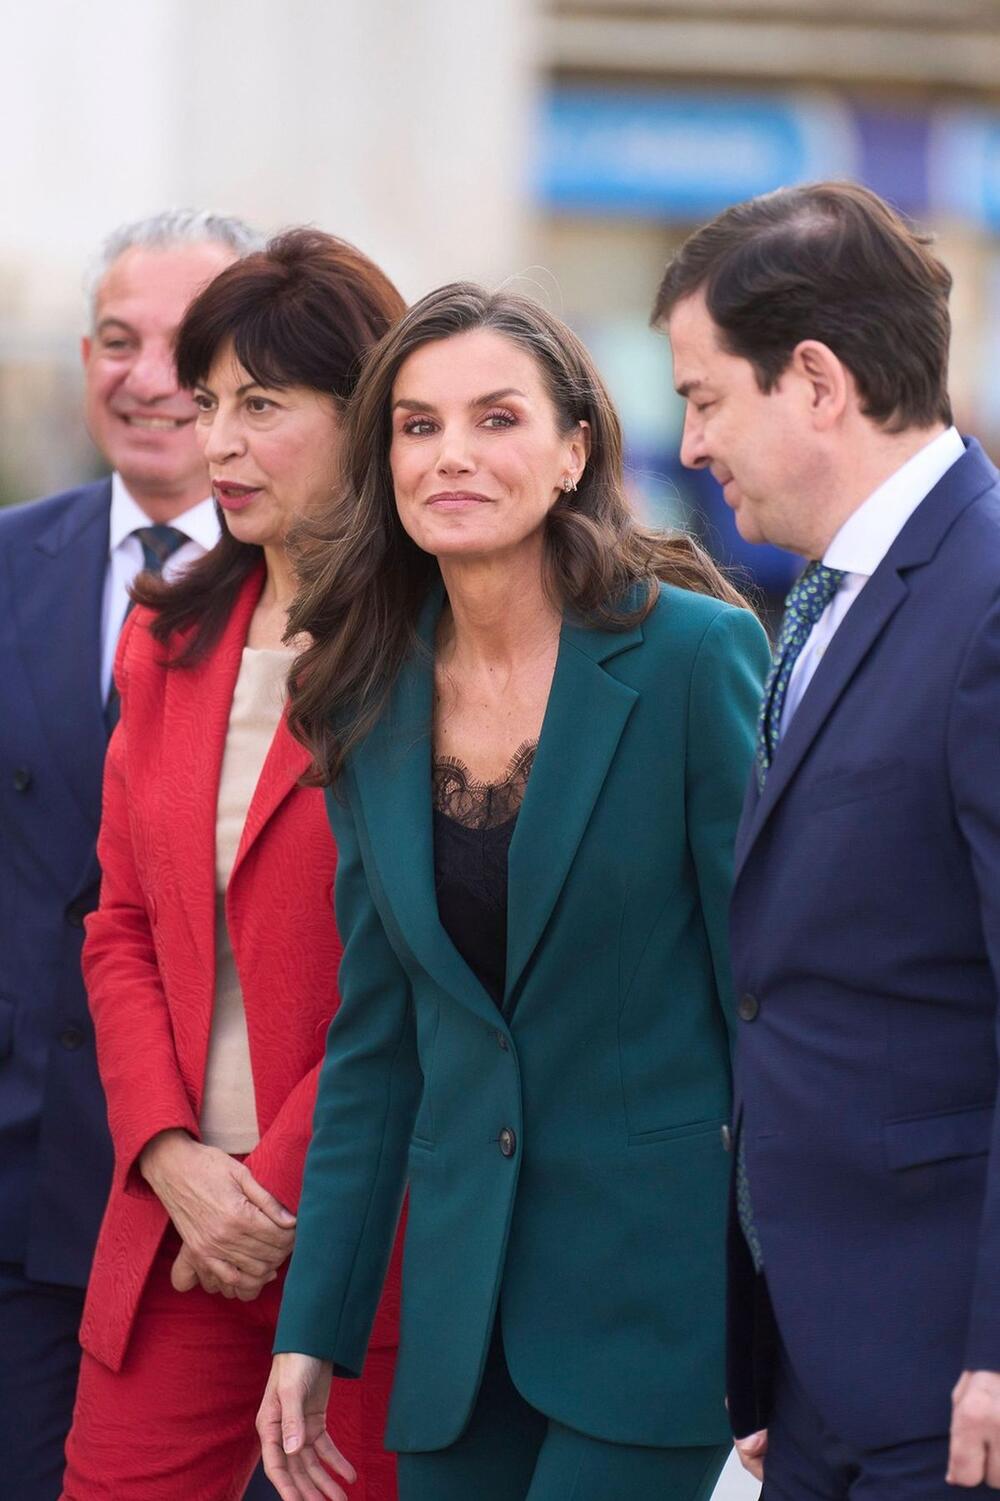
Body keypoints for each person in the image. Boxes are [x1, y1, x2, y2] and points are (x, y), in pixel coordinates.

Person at [255, 283, 771, 1501]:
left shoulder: (692, 656)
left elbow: (762, 1001)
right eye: (418, 426)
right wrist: (313, 1323)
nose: (452, 455)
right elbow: (378, 1039)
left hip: (655, 1305)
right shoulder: (359, 692)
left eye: (496, 418)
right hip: (456, 1320)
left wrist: (779, 1299)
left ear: (572, 450)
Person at [655, 179, 1000, 1499]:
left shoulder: (984, 598)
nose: (690, 443)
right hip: (817, 1368)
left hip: (947, 1382)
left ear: (814, 381)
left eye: (704, 397)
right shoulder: (829, 594)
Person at [60, 230, 407, 1501]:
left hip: (370, 1221)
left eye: (261, 406)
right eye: (210, 405)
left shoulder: (439, 644)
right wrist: (168, 1153)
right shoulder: (169, 630)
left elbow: (420, 956)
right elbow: (120, 921)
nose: (217, 443)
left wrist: (264, 1189)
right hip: (176, 1219)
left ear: (362, 413)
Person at [0, 208, 260, 1501]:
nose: (149, 378)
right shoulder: (9, 564)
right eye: (117, 339)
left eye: (189, 347)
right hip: (14, 1193)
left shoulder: (334, 601)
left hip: (228, 1217)